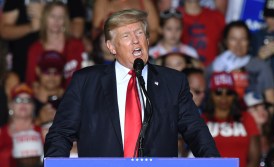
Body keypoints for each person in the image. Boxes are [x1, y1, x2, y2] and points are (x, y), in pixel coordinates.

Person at [44, 9, 220, 158]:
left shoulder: (173, 82)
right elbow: (61, 133)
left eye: (139, 33)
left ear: (148, 40)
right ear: (111, 47)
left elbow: (196, 132)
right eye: (126, 35)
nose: (135, 40)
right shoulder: (86, 82)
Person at [202, 72, 261, 167]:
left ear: (234, 96)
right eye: (218, 92)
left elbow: (255, 157)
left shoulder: (246, 118)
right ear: (211, 95)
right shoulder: (201, 120)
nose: (224, 97)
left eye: (228, 93)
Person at [209, 20, 274, 108]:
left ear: (249, 41)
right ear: (225, 41)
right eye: (233, 39)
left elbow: (270, 100)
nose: (238, 44)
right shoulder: (216, 65)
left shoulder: (261, 66)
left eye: (243, 39)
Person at [26, 1, 84, 87]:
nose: (56, 21)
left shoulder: (77, 46)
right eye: (52, 16)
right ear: (45, 18)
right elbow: (31, 82)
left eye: (61, 17)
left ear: (65, 21)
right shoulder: (35, 49)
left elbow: (85, 78)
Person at [0, 83, 41, 167]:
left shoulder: (43, 133)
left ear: (33, 106)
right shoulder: (1, 133)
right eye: (18, 100)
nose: (23, 103)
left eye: (28, 100)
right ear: (10, 105)